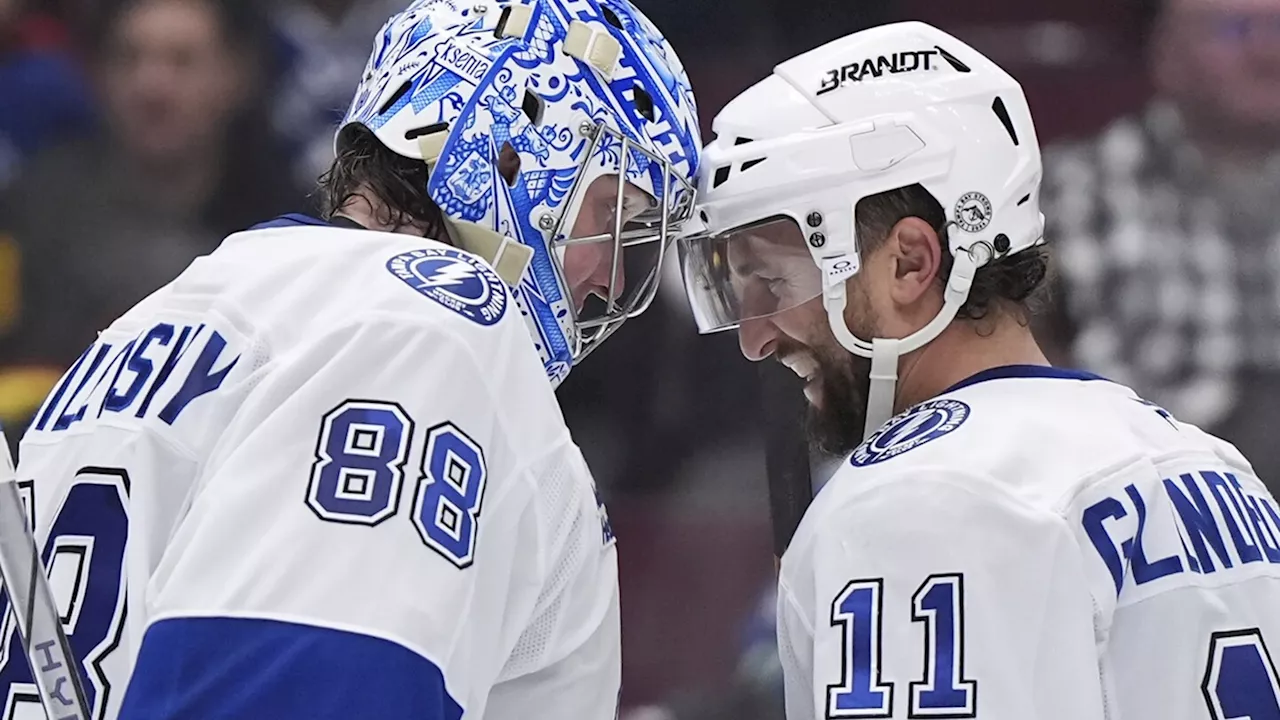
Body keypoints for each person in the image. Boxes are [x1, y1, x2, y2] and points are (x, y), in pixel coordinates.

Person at [5, 0, 700, 718]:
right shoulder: (425, 330)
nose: (609, 280)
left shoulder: (172, 307)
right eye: (615, 219)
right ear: (512, 152)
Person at [678, 20, 1280, 720]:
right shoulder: (1215, 470)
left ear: (910, 263)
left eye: (773, 284)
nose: (753, 338)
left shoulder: (917, 496)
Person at [1041, 0, 1280, 497]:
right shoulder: (1067, 189)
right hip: (1145, 491)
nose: (1267, 52)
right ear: (1166, 53)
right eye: (1236, 30)